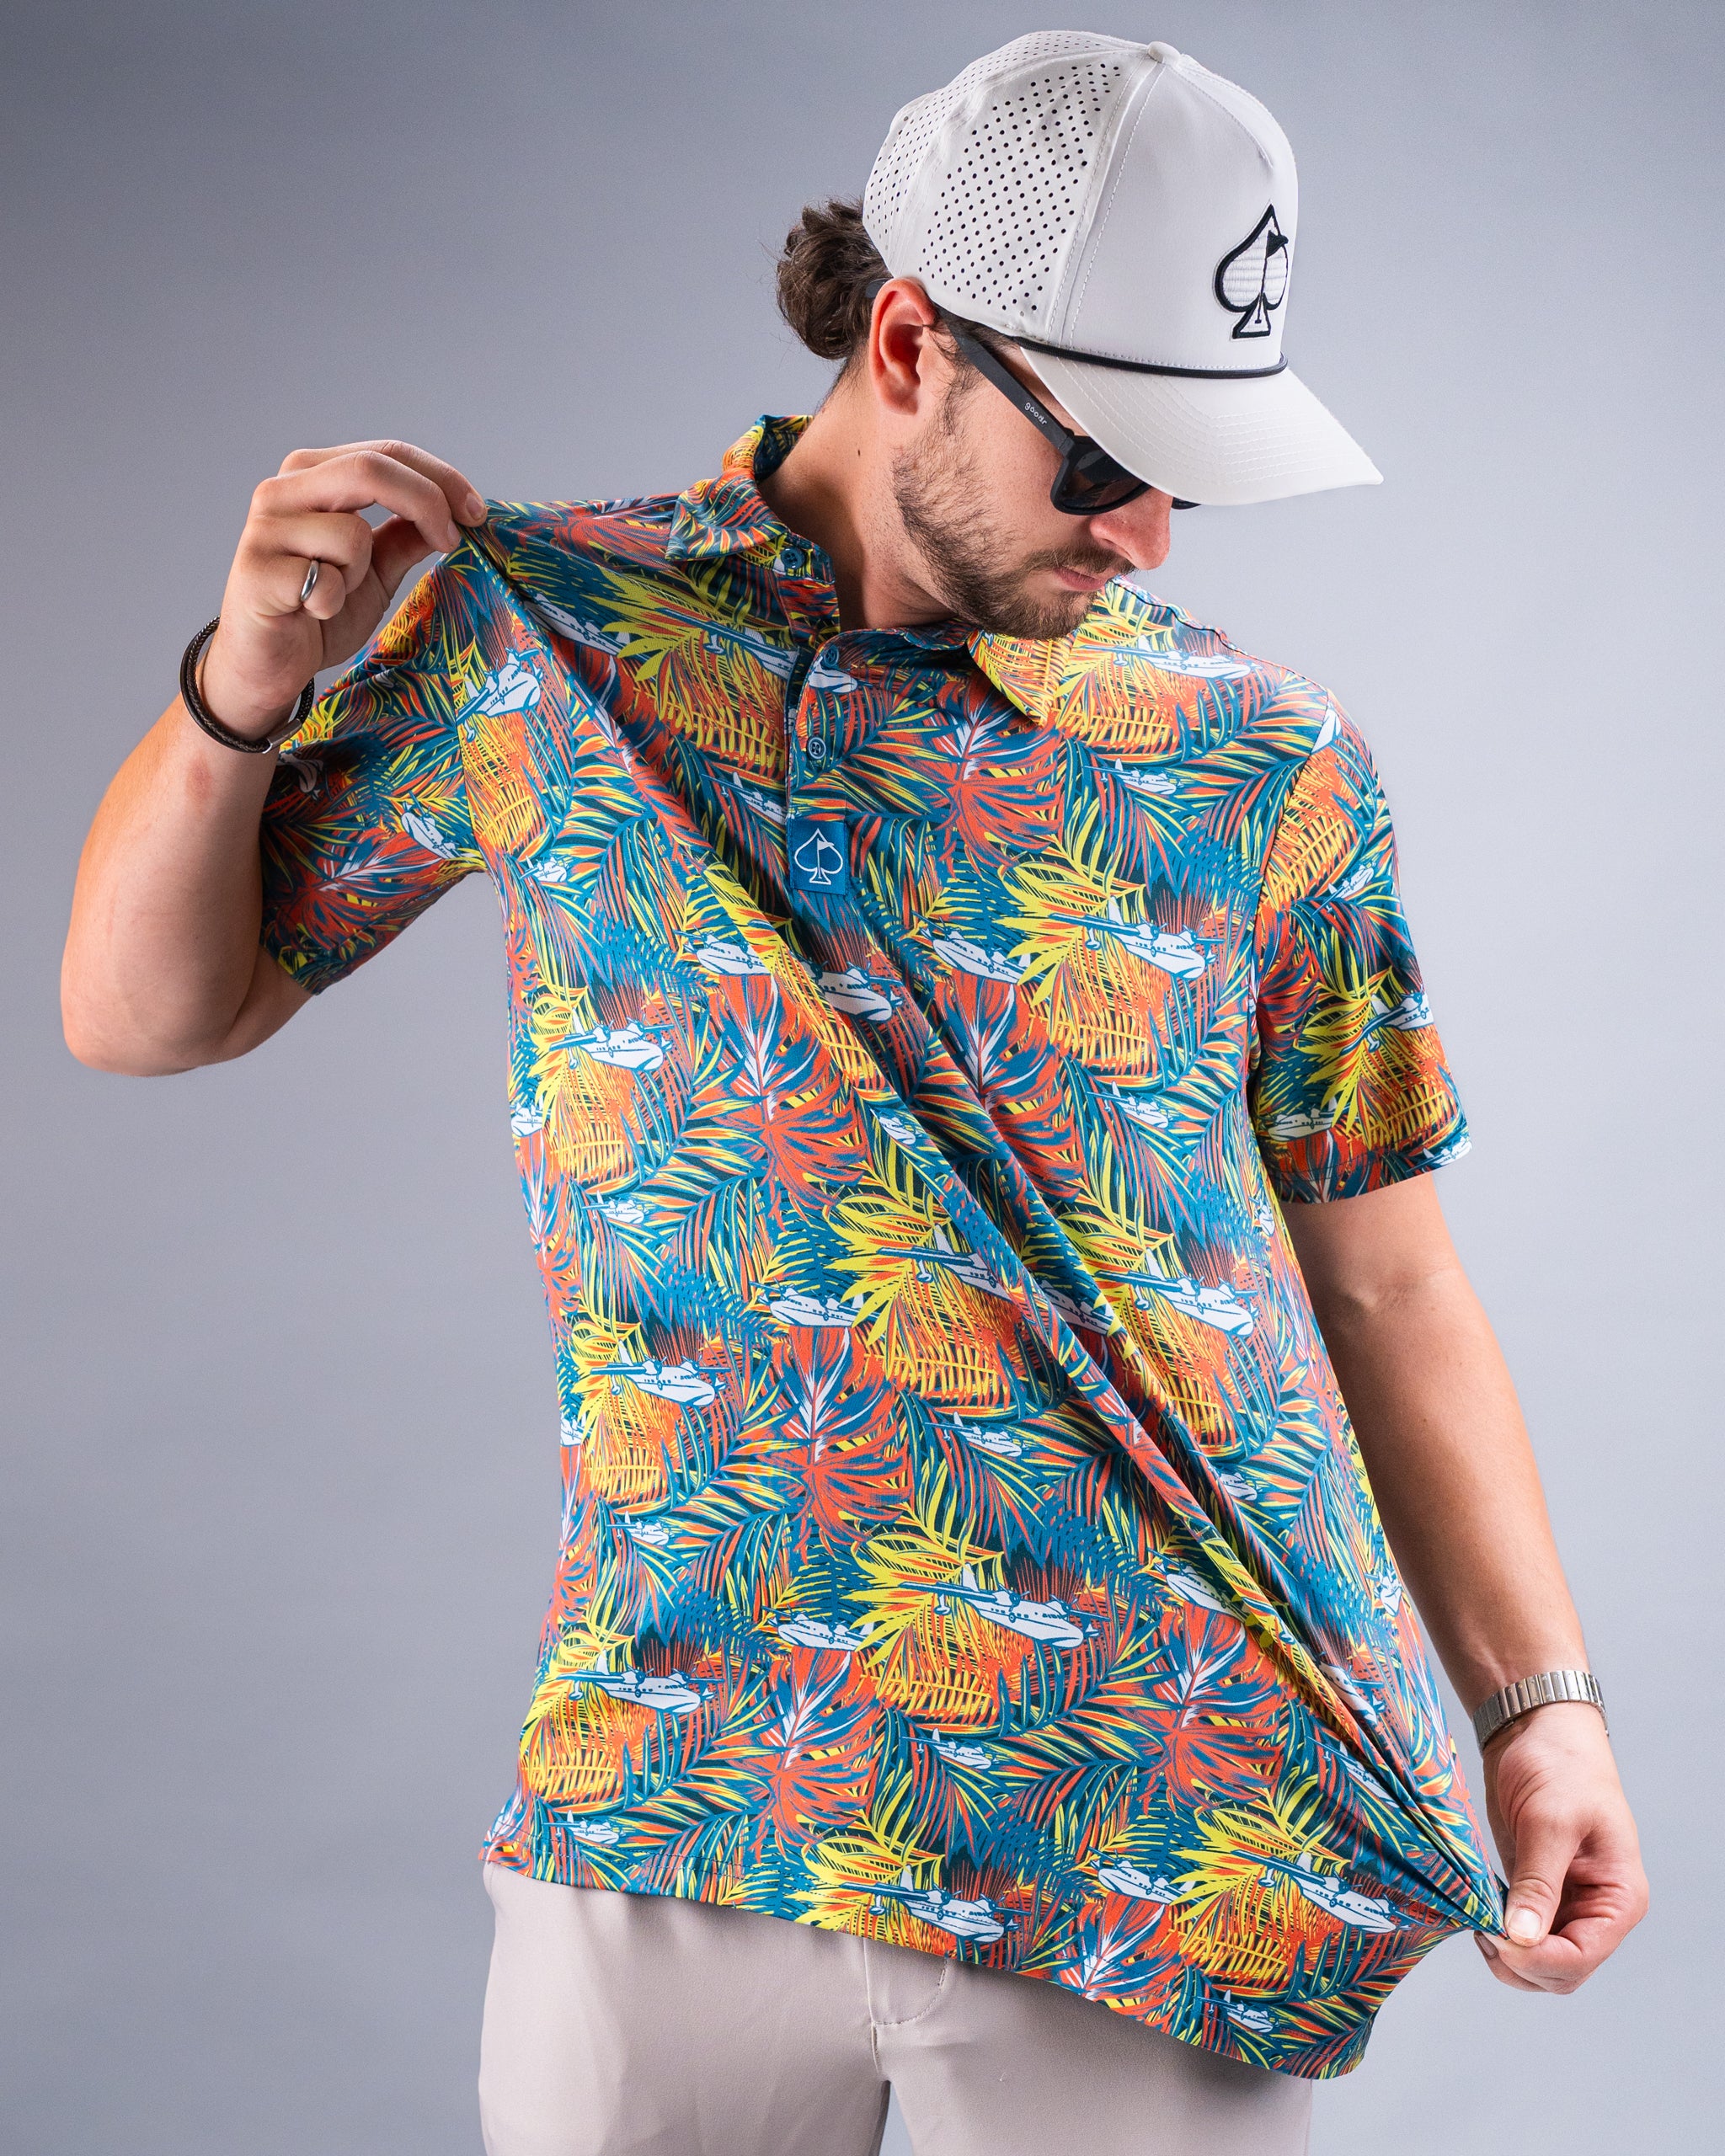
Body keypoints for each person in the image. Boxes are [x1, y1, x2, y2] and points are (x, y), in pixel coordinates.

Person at [61, 32, 1646, 2156]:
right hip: (679, 1786)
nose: (1156, 534)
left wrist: (1540, 1715)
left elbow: (1388, 1281)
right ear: (911, 339)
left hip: (1165, 1839)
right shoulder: (546, 639)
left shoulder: (1267, 763)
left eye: (1201, 474)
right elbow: (150, 1012)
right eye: (1105, 462)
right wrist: (236, 687)